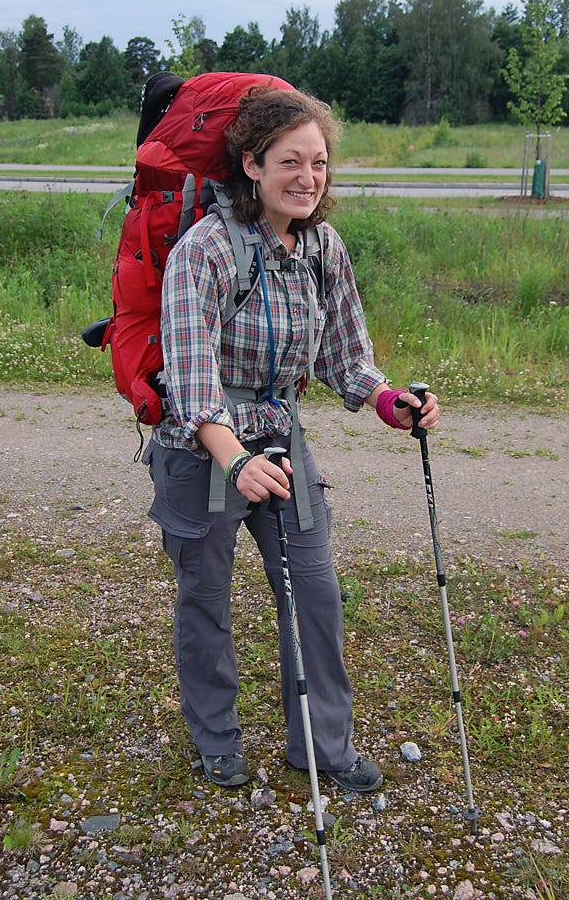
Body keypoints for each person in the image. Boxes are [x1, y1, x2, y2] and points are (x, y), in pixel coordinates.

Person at [142, 85, 440, 791]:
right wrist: (234, 458)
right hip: (201, 454)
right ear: (251, 164)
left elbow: (345, 359)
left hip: (282, 442)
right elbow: (189, 383)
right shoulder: (202, 251)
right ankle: (216, 738)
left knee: (313, 592)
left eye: (319, 163)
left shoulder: (321, 247)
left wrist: (393, 402)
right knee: (206, 598)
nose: (307, 178)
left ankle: (321, 746)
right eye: (289, 162)